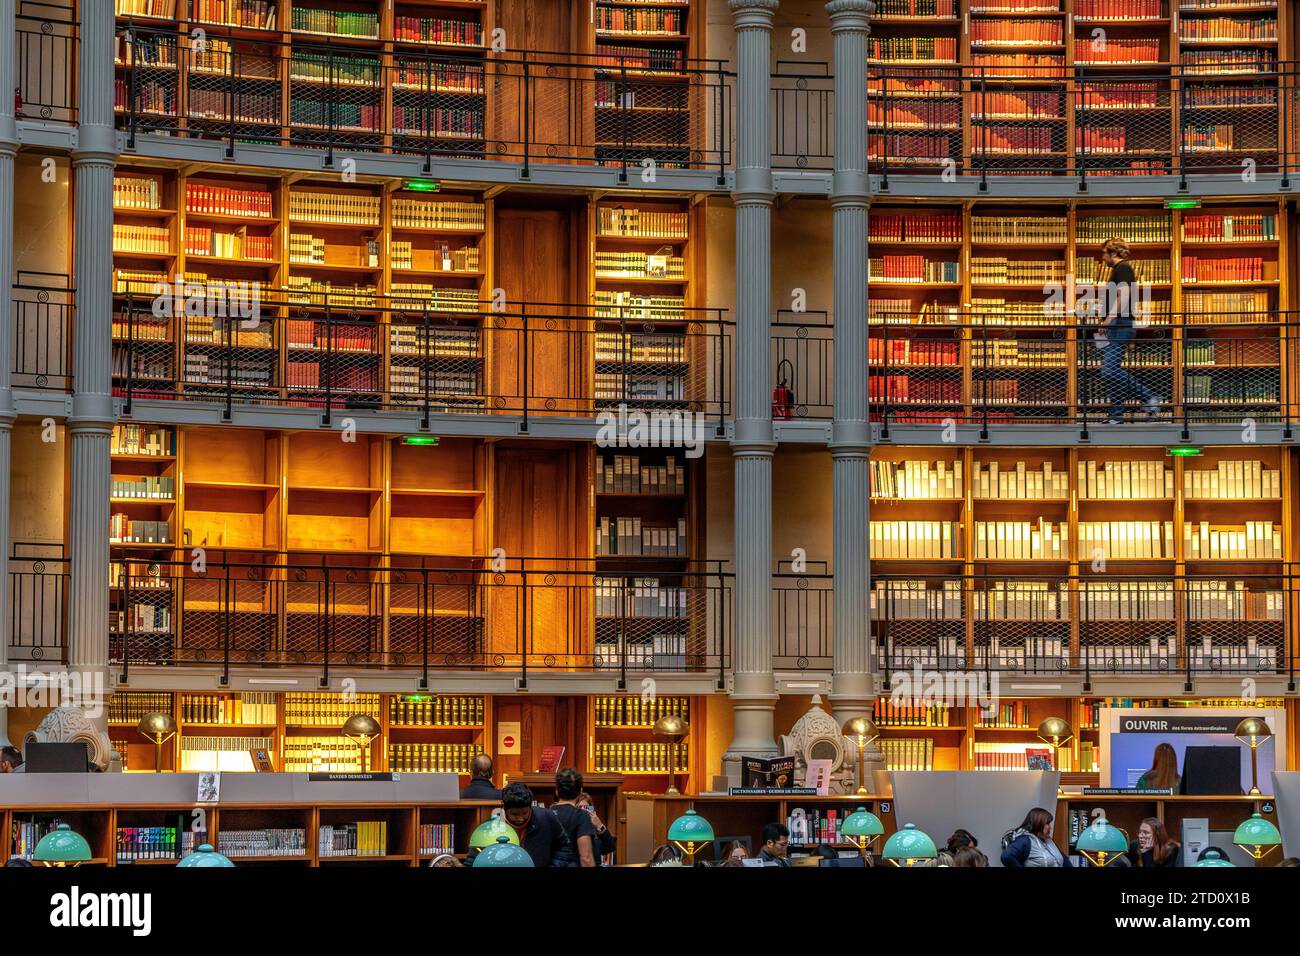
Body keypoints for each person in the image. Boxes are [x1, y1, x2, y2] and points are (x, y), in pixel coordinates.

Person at [1096, 237, 1160, 425]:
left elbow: (1123, 295)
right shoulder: (1119, 270)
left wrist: (1109, 319)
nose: (1102, 258)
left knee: (1109, 371)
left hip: (1120, 324)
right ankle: (1116, 415)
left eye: (1104, 253)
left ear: (1113, 253)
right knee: (1111, 371)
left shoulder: (1123, 268)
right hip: (1116, 324)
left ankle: (1149, 398)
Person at [467, 782, 575, 867]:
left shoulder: (546, 817)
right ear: (504, 808)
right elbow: (474, 859)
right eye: (514, 814)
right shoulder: (491, 828)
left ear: (531, 807)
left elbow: (564, 846)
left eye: (525, 813)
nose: (520, 818)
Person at [550, 768, 599, 867]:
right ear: (580, 791)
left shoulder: (546, 814)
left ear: (556, 791)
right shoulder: (581, 816)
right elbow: (586, 858)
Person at [1001, 807, 1071, 867]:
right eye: (1047, 824)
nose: (1050, 827)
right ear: (1038, 823)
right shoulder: (1025, 840)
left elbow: (1064, 859)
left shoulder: (1048, 840)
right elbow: (1006, 856)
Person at [576, 790, 617, 863]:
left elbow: (611, 848)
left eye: (586, 808)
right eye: (580, 808)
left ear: (592, 811)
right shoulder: (572, 827)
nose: (583, 812)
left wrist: (599, 825)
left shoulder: (596, 832)